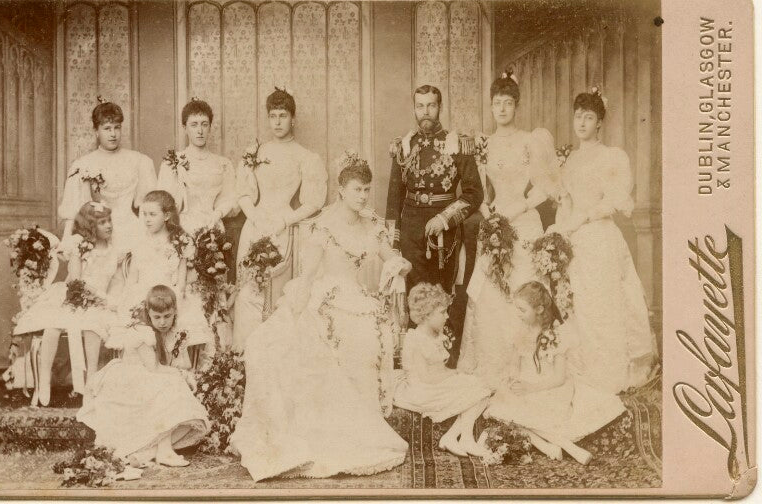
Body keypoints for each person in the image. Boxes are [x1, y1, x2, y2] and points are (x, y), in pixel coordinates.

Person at [230, 152, 409, 481]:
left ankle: (360, 423)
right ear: (342, 189)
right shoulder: (324, 225)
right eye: (357, 189)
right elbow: (310, 273)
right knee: (293, 344)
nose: (363, 196)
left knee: (370, 335)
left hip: (356, 296)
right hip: (325, 296)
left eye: (367, 190)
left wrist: (398, 266)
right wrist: (298, 306)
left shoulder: (372, 225)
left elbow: (391, 256)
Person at [547, 88, 657, 393]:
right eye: (578, 116)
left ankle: (609, 369)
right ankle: (584, 368)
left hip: (600, 236)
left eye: (589, 117)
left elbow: (616, 200)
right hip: (575, 240)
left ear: (599, 123)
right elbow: (566, 204)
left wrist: (583, 217)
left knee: (604, 302)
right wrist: (560, 229)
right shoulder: (567, 161)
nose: (581, 122)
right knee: (578, 302)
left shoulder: (613, 156)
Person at [458, 72, 558, 390]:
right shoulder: (484, 144)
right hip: (497, 222)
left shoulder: (531, 140)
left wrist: (516, 211)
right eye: (496, 103)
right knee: (491, 291)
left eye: (508, 103)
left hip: (524, 220)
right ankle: (493, 361)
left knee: (524, 286)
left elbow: (544, 188)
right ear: (491, 107)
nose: (502, 109)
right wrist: (490, 216)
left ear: (517, 106)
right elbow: (481, 192)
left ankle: (531, 363)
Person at [483, 281, 625, 465]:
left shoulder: (555, 336)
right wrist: (514, 378)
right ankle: (548, 447)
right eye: (517, 309)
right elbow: (515, 365)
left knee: (517, 414)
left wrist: (531, 388)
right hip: (527, 385)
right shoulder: (520, 333)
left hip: (548, 386)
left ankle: (565, 446)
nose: (518, 315)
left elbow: (559, 378)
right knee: (503, 410)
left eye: (522, 310)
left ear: (539, 309)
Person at [232, 87, 327, 351]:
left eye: (282, 115)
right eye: (272, 115)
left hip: (283, 228)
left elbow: (313, 201)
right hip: (255, 224)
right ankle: (245, 352)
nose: (277, 121)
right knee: (249, 289)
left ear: (293, 119)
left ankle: (273, 355)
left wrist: (285, 221)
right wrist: (256, 217)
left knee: (275, 291)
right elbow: (243, 194)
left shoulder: (304, 156)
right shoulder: (255, 151)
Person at [77, 285, 209, 467]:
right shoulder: (141, 331)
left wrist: (183, 368)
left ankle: (153, 452)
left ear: (174, 312)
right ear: (148, 313)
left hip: (149, 377)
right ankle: (162, 450)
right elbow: (153, 368)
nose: (162, 322)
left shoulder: (174, 331)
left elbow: (184, 363)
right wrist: (182, 375)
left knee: (174, 386)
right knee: (172, 384)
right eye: (157, 317)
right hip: (129, 379)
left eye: (167, 316)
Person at [13, 201, 123, 406]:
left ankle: (91, 381)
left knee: (92, 326)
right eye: (102, 222)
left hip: (97, 302)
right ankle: (44, 380)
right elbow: (75, 279)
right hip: (73, 294)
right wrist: (91, 294)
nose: (108, 225)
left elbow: (115, 282)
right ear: (91, 226)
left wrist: (106, 299)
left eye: (109, 221)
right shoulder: (80, 246)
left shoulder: (114, 250)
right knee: (53, 325)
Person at [386, 84, 482, 296]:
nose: (425, 111)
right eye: (420, 106)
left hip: (444, 232)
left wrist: (444, 219)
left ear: (440, 107)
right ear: (414, 109)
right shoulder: (404, 146)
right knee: (414, 294)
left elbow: (474, 193)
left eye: (431, 105)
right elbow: (394, 200)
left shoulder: (457, 144)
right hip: (410, 231)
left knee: (441, 293)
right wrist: (393, 242)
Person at [393, 283, 491, 458]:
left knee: (481, 384)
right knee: (479, 388)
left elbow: (439, 369)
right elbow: (427, 377)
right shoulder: (415, 339)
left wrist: (458, 374)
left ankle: (456, 436)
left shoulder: (436, 335)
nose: (447, 316)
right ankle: (463, 438)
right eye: (442, 312)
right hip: (421, 390)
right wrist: (456, 374)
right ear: (426, 315)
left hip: (434, 384)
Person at [121, 191, 212, 359]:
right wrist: (126, 300)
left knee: (179, 318)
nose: (147, 219)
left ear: (166, 215)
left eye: (152, 214)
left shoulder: (180, 241)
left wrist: (177, 296)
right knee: (137, 321)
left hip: (171, 292)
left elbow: (182, 280)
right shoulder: (139, 240)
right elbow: (132, 278)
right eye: (144, 214)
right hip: (143, 293)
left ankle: (173, 364)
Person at [58, 98, 156, 252]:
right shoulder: (83, 165)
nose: (113, 134)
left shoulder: (139, 160)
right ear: (96, 131)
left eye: (117, 128)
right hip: (100, 233)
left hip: (133, 231)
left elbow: (147, 205)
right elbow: (72, 210)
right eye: (107, 128)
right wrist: (65, 241)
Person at [157, 98, 239, 235]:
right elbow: (164, 204)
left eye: (204, 124)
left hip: (213, 228)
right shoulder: (172, 163)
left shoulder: (223, 164)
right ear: (185, 128)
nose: (200, 130)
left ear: (210, 127)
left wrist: (217, 214)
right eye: (194, 125)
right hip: (183, 231)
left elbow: (230, 198)